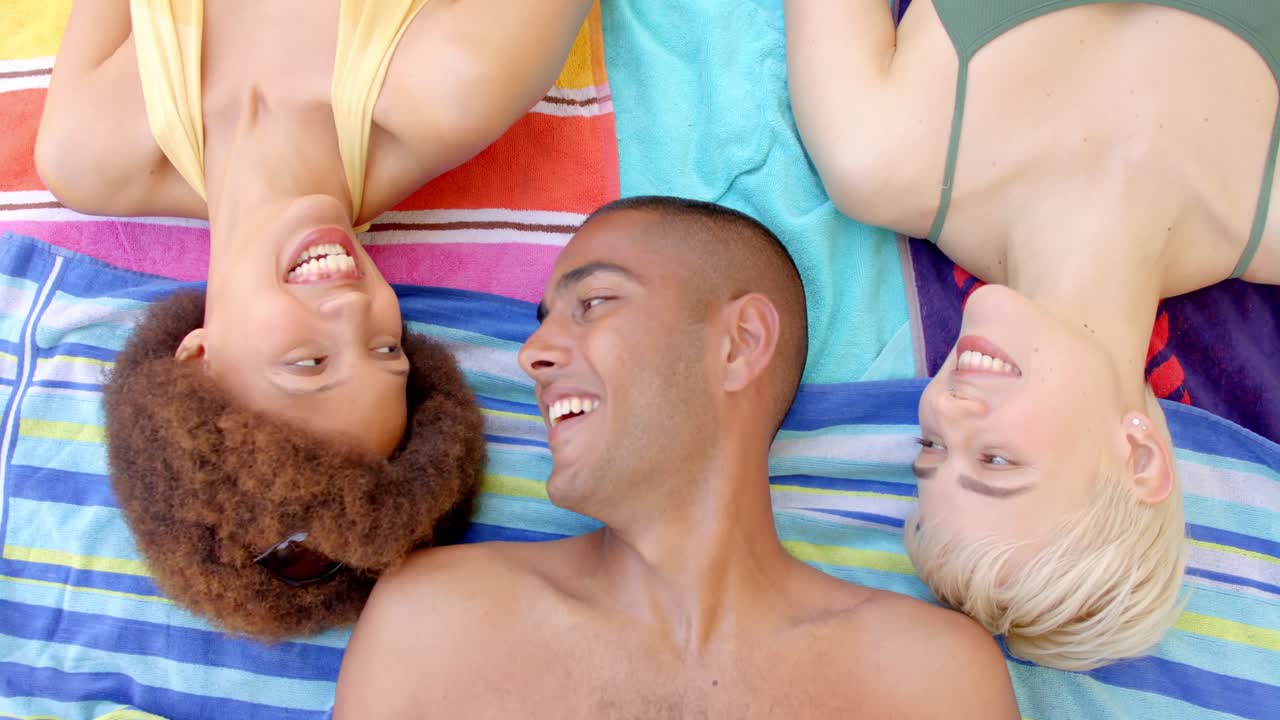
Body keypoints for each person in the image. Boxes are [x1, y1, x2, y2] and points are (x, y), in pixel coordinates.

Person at [333, 196, 1020, 718]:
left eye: (593, 303)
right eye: (543, 320)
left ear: (739, 344)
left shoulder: (929, 681)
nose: (532, 354)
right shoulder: (434, 622)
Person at [35, 0, 592, 637]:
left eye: (310, 363)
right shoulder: (456, 85)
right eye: (388, 349)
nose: (355, 310)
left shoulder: (87, 152)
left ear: (198, 360)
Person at [785, 1, 1280, 669]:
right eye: (994, 461)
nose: (946, 408)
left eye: (931, 447)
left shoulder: (876, 156)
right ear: (1139, 457)